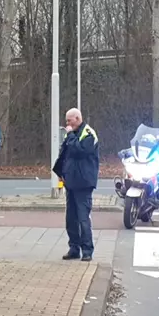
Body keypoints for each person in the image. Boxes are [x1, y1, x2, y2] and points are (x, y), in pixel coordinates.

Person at [57, 108, 100, 262]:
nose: (67, 124)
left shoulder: (88, 134)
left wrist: (69, 135)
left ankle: (87, 250)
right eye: (66, 121)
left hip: (83, 182)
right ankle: (74, 248)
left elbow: (80, 151)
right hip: (71, 182)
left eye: (69, 121)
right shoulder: (73, 134)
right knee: (71, 218)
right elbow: (67, 154)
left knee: (83, 218)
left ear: (77, 118)